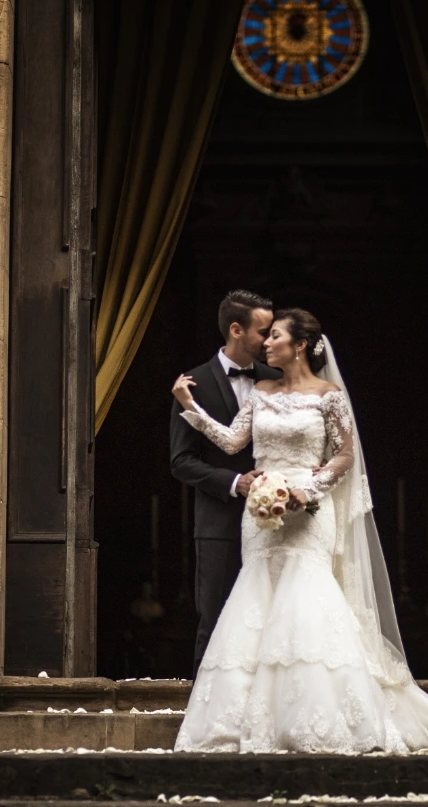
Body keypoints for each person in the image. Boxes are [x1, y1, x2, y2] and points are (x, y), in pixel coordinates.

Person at [171, 308, 428, 753]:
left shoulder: (329, 396)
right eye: (265, 336)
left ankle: (316, 717)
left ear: (300, 345)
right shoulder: (261, 391)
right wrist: (190, 408)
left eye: (276, 337)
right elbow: (233, 442)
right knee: (257, 602)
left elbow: (345, 456)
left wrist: (306, 492)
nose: (266, 343)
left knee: (307, 601)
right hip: (262, 518)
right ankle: (243, 720)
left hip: (308, 512)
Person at [170, 289, 281, 678]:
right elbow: (181, 462)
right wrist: (236, 482)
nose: (270, 341)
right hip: (218, 523)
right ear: (236, 329)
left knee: (273, 619)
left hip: (276, 521)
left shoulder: (277, 380)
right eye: (263, 332)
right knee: (215, 619)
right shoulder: (192, 385)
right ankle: (203, 713)